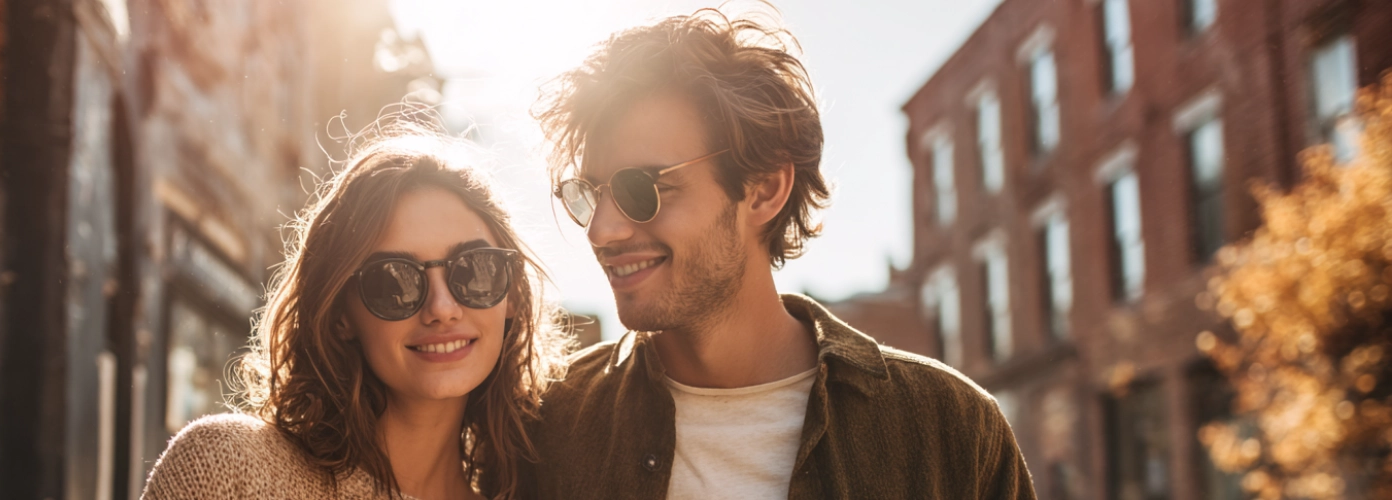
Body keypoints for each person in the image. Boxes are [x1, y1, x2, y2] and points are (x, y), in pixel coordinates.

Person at [525, 8, 1036, 499]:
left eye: (642, 189)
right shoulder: (549, 424)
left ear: (764, 189)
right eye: (589, 194)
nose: (601, 231)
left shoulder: (949, 427)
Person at [141, 124, 568, 500]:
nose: (442, 308)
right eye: (393, 280)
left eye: (476, 270)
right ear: (341, 314)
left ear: (511, 293)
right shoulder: (231, 469)